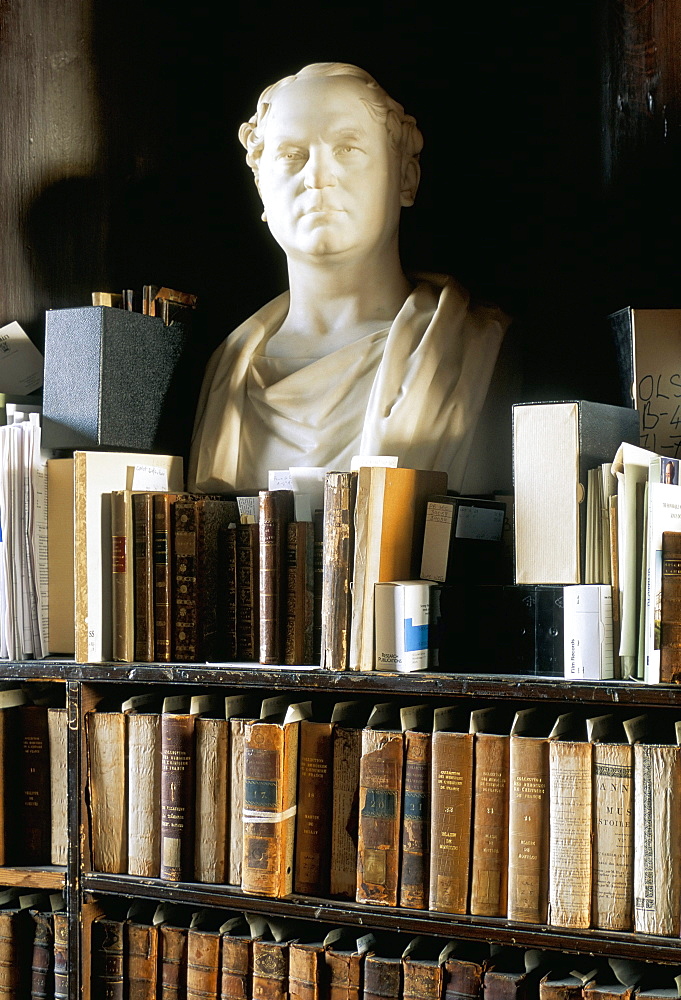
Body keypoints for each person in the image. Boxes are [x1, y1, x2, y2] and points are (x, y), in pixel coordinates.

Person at [188, 62, 515, 495]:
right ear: (261, 188)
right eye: (292, 154)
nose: (318, 177)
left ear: (405, 178)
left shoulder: (471, 348)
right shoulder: (227, 371)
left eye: (346, 148)